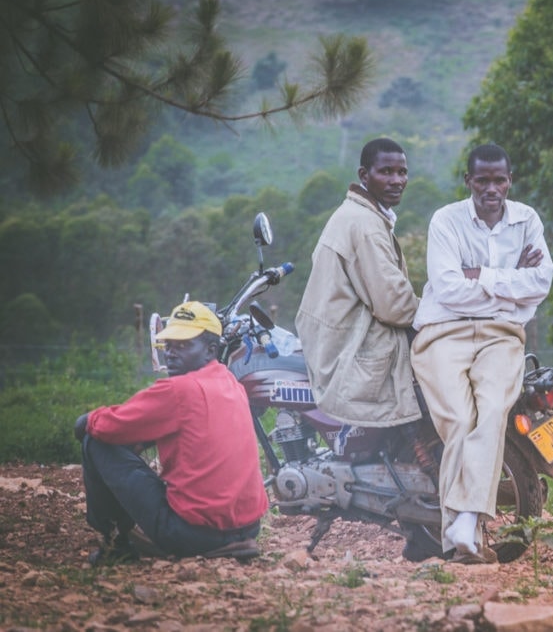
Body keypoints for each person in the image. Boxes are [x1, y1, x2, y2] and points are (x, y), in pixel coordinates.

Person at [410, 143, 553, 564]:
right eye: (483, 180)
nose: (492, 188)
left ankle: (466, 520)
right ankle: (463, 522)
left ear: (510, 180)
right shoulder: (446, 221)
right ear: (468, 181)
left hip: (501, 335)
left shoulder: (526, 220)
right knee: (457, 418)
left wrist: (481, 276)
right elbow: (448, 288)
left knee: (492, 409)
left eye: (499, 179)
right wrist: (511, 282)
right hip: (442, 332)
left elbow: (542, 281)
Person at [75, 301, 268, 566]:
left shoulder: (178, 390)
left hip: (193, 534)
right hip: (248, 528)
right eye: (169, 345)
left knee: (94, 441)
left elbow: (107, 426)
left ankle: (116, 545)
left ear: (211, 350)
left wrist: (86, 420)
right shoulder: (231, 383)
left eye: (184, 345)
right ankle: (230, 542)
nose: (171, 354)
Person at [295, 137, 420, 428]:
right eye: (386, 172)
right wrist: (442, 313)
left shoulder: (363, 216)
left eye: (401, 172)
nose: (396, 180)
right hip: (350, 346)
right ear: (364, 176)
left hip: (342, 337)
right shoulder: (365, 225)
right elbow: (395, 307)